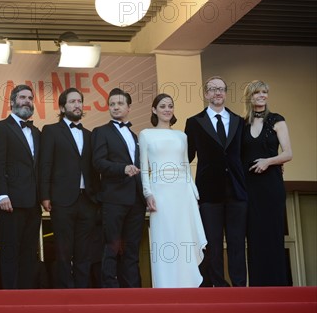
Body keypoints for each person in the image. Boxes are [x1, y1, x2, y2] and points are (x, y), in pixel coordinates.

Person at [185, 76, 247, 287]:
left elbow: (245, 154)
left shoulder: (239, 121)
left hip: (236, 190)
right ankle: (219, 286)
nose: (217, 93)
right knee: (212, 243)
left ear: (226, 93)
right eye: (213, 89)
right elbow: (185, 157)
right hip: (209, 192)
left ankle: (239, 286)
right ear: (206, 94)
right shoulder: (194, 123)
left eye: (221, 89)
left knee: (237, 242)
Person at [139, 93, 207, 288]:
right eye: (162, 106)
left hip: (182, 191)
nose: (167, 109)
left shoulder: (182, 135)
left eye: (170, 106)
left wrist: (193, 192)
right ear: (154, 110)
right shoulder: (145, 134)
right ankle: (166, 287)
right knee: (164, 238)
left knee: (184, 236)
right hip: (160, 191)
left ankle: (187, 285)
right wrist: (147, 193)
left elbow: (186, 166)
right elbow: (144, 167)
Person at [39, 88, 99, 288]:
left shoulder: (90, 135)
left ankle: (82, 291)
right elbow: (45, 164)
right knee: (64, 249)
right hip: (62, 200)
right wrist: (45, 195)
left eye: (79, 101)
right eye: (72, 102)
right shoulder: (50, 131)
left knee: (84, 249)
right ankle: (65, 291)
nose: (77, 105)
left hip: (87, 200)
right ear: (63, 107)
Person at [92, 88, 146, 288]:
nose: (115, 107)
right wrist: (121, 168)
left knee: (132, 249)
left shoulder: (135, 135)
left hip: (136, 201)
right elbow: (98, 162)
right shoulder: (101, 132)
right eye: (112, 104)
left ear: (129, 108)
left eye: (120, 103)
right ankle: (110, 290)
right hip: (113, 198)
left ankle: (133, 291)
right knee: (112, 247)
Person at [0, 84, 42, 289]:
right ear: (12, 102)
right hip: (10, 202)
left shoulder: (36, 132)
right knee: (11, 251)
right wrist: (1, 195)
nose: (27, 101)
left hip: (33, 202)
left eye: (30, 98)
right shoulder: (1, 128)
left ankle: (27, 297)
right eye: (22, 97)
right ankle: (10, 297)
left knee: (30, 252)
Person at [242, 80, 292, 286]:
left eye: (264, 92)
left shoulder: (277, 120)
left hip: (271, 187)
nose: (262, 96)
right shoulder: (242, 123)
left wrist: (269, 162)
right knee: (254, 237)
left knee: (273, 234)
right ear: (249, 97)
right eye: (257, 93)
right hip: (249, 188)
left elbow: (288, 153)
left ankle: (279, 285)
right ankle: (258, 287)